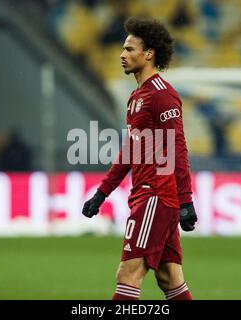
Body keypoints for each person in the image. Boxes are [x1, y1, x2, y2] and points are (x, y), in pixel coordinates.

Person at [82, 17, 197, 300]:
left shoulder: (162, 96)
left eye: (130, 49)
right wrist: (101, 193)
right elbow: (131, 150)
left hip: (155, 197)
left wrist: (186, 199)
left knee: (128, 274)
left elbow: (177, 148)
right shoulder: (137, 97)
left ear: (149, 54)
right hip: (150, 196)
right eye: (123, 49)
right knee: (169, 278)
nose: (122, 55)